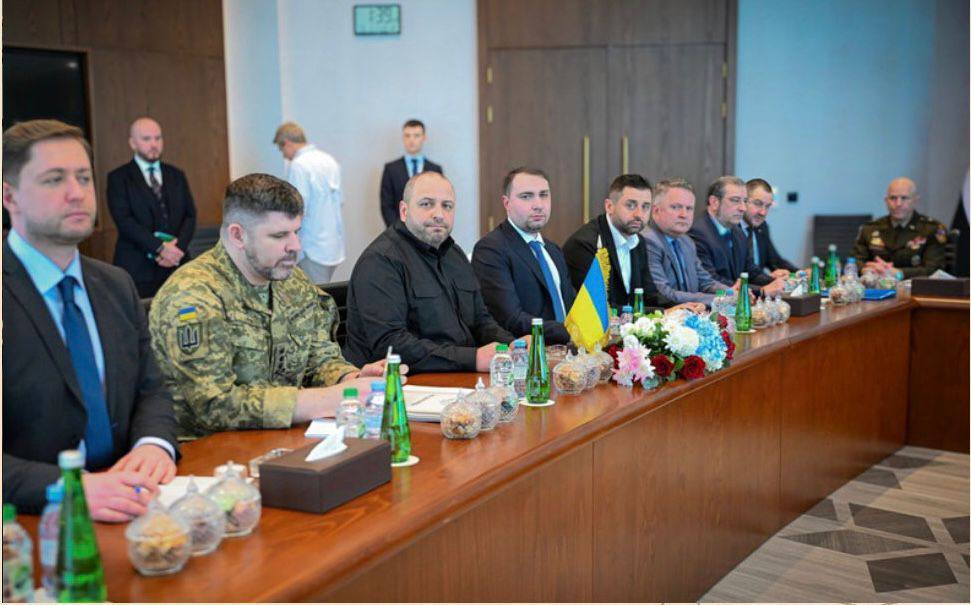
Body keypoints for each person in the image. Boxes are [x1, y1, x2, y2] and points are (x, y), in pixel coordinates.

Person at [3, 119, 179, 521]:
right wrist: (69, 487)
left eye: (83, 177)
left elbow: (151, 390)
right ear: (9, 196)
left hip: (132, 503)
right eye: (54, 180)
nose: (77, 193)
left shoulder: (115, 285)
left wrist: (154, 445)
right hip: (32, 524)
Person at [149, 173, 389, 440]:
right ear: (238, 235)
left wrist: (350, 380)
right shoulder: (193, 296)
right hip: (209, 452)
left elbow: (317, 358)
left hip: (283, 439)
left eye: (296, 232)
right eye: (279, 235)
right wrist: (324, 400)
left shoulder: (292, 281)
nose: (295, 246)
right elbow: (214, 406)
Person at [346, 171, 515, 372]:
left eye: (447, 206)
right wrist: (472, 358)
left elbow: (481, 321)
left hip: (459, 375)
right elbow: (391, 344)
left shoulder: (454, 254)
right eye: (426, 204)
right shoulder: (380, 261)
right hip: (404, 382)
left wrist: (513, 346)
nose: (439, 214)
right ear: (404, 211)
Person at [472, 168, 576, 345]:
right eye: (526, 196)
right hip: (528, 356)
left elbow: (572, 306)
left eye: (543, 195)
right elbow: (511, 319)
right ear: (506, 203)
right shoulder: (491, 249)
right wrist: (569, 331)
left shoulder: (553, 251)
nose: (538, 204)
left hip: (569, 354)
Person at [106, 117, 197, 297]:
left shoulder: (176, 175)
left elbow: (190, 215)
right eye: (146, 139)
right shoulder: (118, 178)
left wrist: (177, 250)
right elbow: (124, 221)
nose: (154, 144)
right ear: (132, 143)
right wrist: (160, 248)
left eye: (158, 138)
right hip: (138, 268)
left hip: (177, 265)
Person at [563, 174, 668, 311]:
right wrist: (662, 311)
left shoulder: (638, 241)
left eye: (645, 207)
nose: (639, 214)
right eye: (631, 205)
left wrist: (680, 308)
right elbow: (597, 308)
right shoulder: (585, 244)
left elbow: (649, 295)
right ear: (609, 206)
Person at [273, 121, 344, 284]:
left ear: (287, 143)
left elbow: (295, 208)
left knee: (312, 294)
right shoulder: (329, 160)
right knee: (324, 289)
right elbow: (340, 201)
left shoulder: (299, 165)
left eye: (281, 150)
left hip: (311, 248)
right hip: (332, 246)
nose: (284, 156)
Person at [688, 175, 783, 296]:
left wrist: (777, 282)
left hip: (738, 302)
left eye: (744, 201)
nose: (743, 208)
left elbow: (751, 272)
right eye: (735, 200)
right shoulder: (697, 233)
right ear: (714, 202)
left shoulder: (737, 231)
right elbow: (711, 281)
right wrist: (761, 291)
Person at [644, 178, 733, 306]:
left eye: (689, 208)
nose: (684, 214)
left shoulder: (687, 241)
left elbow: (705, 282)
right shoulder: (648, 241)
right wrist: (717, 300)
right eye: (676, 207)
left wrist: (732, 293)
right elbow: (664, 294)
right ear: (656, 211)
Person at [852, 177, 948, 278]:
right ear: (886, 201)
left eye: (904, 198)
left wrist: (899, 273)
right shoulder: (870, 228)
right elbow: (854, 261)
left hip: (914, 286)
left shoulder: (931, 229)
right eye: (893, 198)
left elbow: (934, 269)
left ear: (915, 200)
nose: (898, 204)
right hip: (876, 284)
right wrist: (865, 269)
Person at [380, 119, 444, 228]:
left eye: (416, 135)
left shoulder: (435, 169)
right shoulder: (391, 169)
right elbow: (386, 205)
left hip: (428, 229)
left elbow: (440, 202)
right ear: (403, 138)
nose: (411, 140)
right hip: (398, 230)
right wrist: (397, 230)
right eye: (407, 136)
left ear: (424, 138)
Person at [740, 178, 798, 278]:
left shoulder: (762, 227)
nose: (763, 212)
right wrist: (768, 279)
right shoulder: (731, 229)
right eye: (758, 204)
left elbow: (775, 261)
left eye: (767, 206)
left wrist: (800, 273)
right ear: (744, 201)